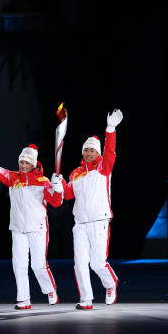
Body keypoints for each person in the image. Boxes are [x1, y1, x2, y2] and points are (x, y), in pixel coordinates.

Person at [0, 137, 62, 310]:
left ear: (33, 164)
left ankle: (50, 290)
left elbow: (56, 202)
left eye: (27, 162)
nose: (23, 165)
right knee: (19, 264)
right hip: (18, 228)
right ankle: (24, 299)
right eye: (21, 161)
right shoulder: (12, 178)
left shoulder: (43, 182)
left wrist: (57, 188)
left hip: (38, 228)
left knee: (37, 265)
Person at [51, 109, 123, 310]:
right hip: (80, 223)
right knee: (80, 263)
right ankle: (86, 299)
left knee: (97, 264)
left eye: (92, 150)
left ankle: (111, 284)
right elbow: (68, 195)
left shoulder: (104, 168)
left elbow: (110, 151)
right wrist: (59, 185)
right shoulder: (76, 173)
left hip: (99, 221)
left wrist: (110, 129)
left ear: (98, 153)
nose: (88, 152)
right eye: (86, 150)